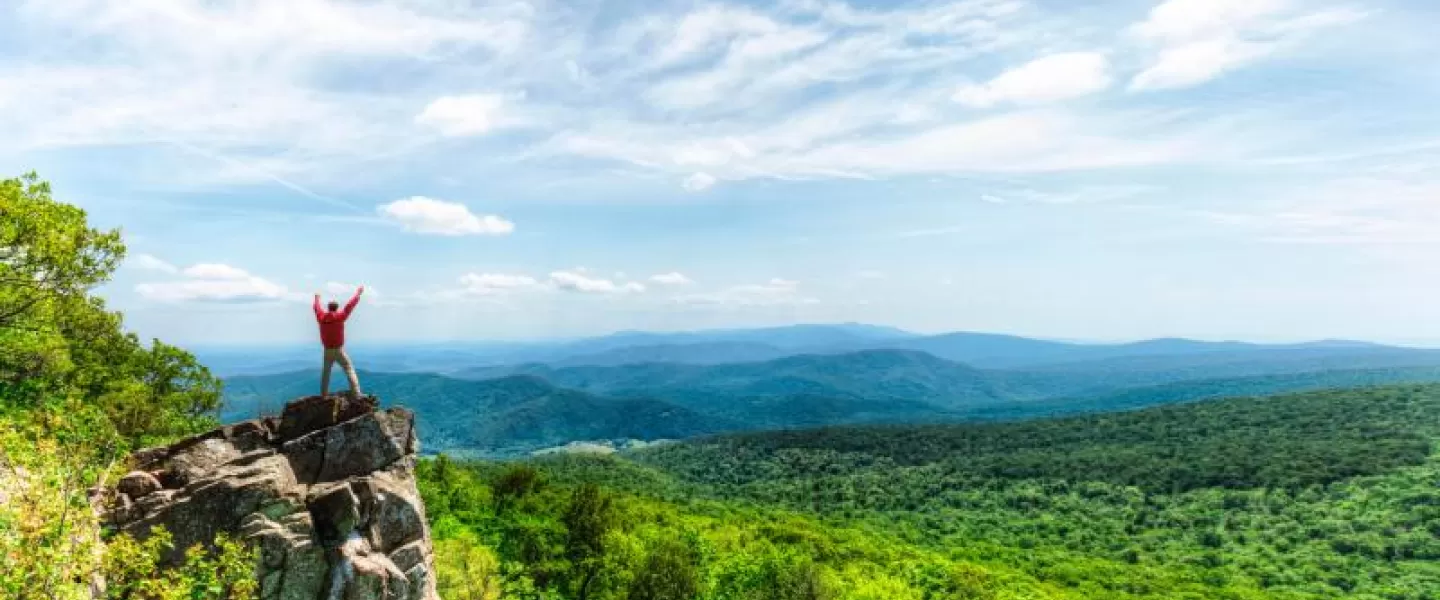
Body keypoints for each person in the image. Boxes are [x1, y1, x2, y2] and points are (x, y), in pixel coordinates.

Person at [314, 285, 364, 397]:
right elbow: (350, 306)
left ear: (328, 308)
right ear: (336, 308)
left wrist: (317, 298)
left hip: (327, 350)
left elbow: (316, 308)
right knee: (349, 368)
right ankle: (357, 394)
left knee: (326, 373)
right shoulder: (340, 316)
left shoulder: (321, 318)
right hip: (338, 350)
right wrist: (358, 293)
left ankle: (324, 395)